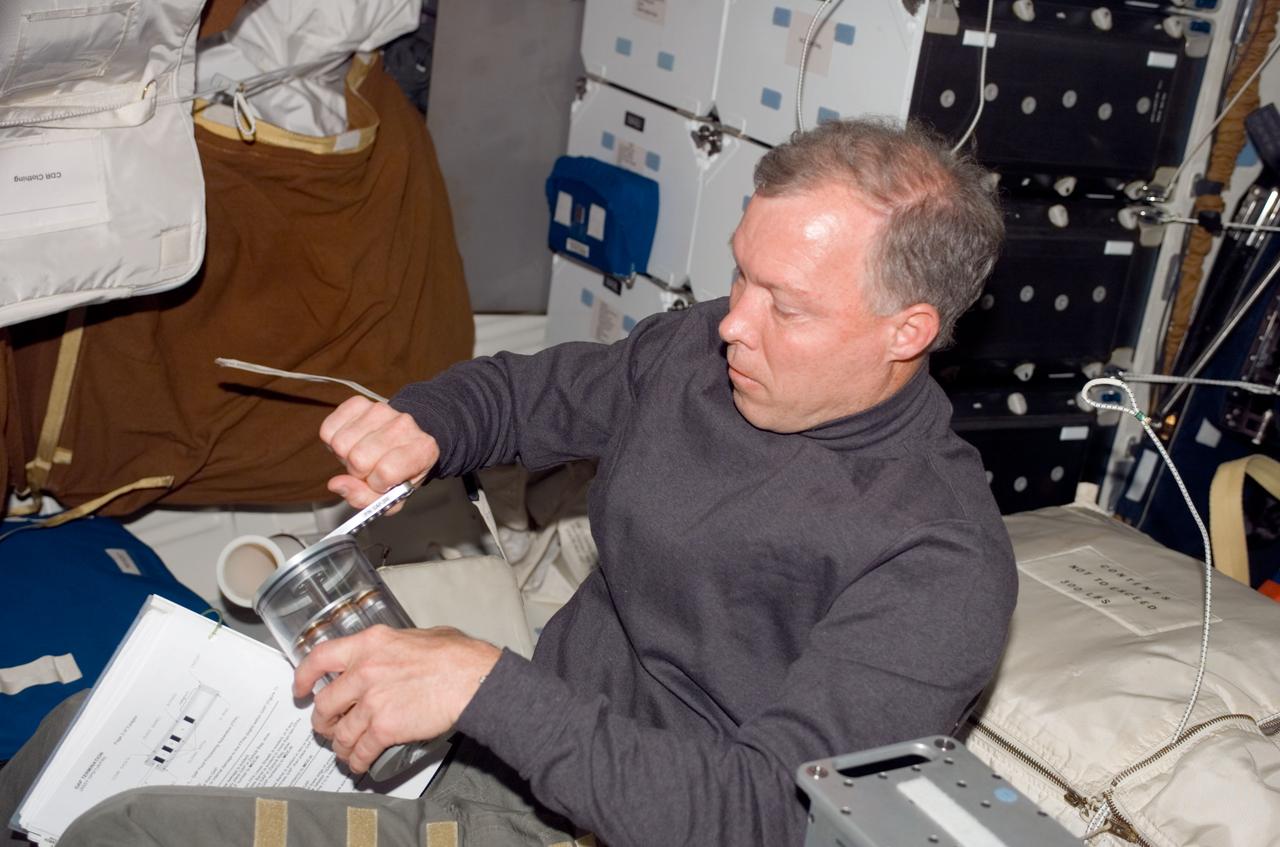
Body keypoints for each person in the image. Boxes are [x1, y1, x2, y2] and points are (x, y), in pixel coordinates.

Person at [1, 117, 1015, 846]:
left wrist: (485, 686)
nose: (729, 320)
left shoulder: (936, 561)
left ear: (906, 332)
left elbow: (760, 816)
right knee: (66, 742)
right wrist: (422, 426)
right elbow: (527, 395)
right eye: (738, 272)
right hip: (507, 749)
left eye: (782, 304)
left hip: (596, 819)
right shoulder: (700, 358)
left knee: (123, 826)